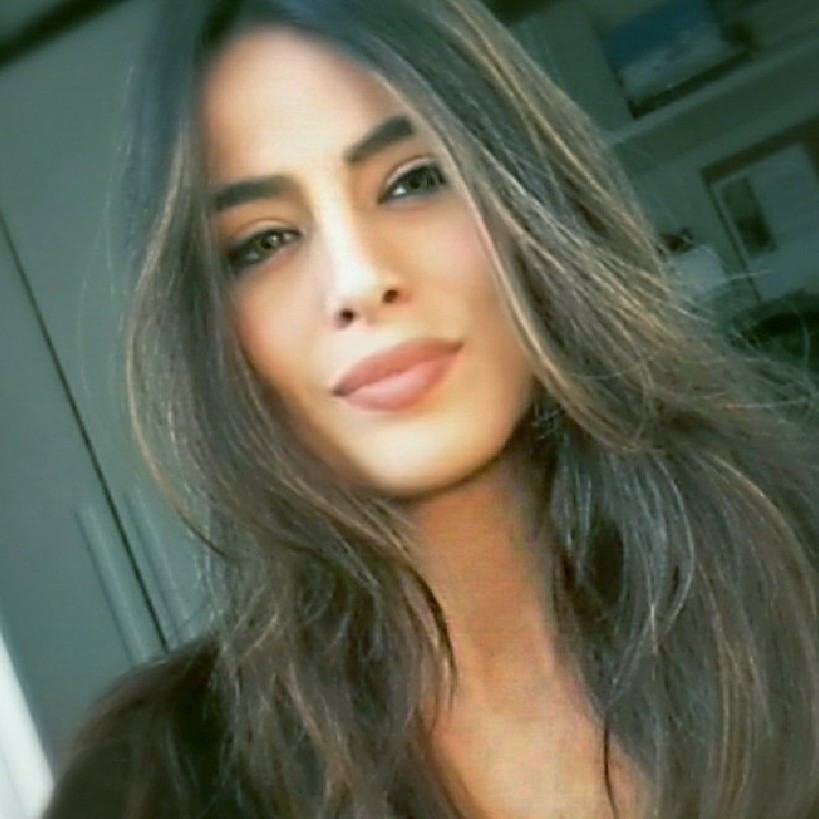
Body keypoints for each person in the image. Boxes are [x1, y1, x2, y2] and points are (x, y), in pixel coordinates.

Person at [45, 0, 819, 817]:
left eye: (413, 181)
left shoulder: (792, 567)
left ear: (528, 199)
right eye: (263, 241)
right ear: (213, 328)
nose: (358, 280)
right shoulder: (153, 780)